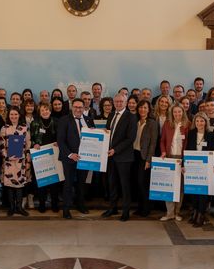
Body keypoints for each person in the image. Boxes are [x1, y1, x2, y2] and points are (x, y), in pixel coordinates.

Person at [101, 94, 139, 222]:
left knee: (124, 185)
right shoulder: (112, 115)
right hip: (110, 157)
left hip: (123, 157)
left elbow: (130, 138)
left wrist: (115, 150)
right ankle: (113, 208)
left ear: (126, 102)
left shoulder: (131, 117)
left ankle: (126, 211)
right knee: (112, 183)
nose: (118, 103)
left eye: (121, 101)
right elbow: (107, 133)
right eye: (116, 101)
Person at [57, 99, 95, 219]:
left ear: (84, 108)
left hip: (85, 158)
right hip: (69, 158)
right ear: (72, 107)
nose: (78, 109)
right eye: (76, 107)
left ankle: (81, 205)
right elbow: (60, 141)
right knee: (68, 184)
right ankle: (66, 209)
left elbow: (94, 137)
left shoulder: (89, 120)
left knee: (81, 184)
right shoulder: (64, 120)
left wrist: (103, 133)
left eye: (80, 107)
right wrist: (70, 154)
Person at [184, 112, 214, 227]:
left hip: (206, 167)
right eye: (197, 121)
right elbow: (187, 149)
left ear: (205, 122)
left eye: (202, 121)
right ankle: (195, 211)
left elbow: (213, 151)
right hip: (193, 166)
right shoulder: (192, 133)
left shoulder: (210, 135)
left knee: (203, 192)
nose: (199, 123)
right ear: (194, 122)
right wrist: (184, 164)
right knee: (194, 191)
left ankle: (201, 215)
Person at [159, 104, 189, 221]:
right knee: (169, 186)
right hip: (169, 157)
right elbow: (162, 141)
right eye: (175, 112)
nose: (177, 114)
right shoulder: (167, 124)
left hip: (182, 158)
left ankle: (177, 212)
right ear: (172, 113)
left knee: (180, 187)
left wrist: (185, 160)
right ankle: (169, 213)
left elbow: (188, 142)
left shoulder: (188, 124)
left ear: (183, 112)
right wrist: (163, 152)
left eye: (179, 112)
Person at [0, 106, 32, 216]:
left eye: (16, 114)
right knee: (10, 184)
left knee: (19, 184)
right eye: (11, 114)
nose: (13, 116)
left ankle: (19, 207)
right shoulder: (4, 128)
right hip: (8, 161)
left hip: (21, 160)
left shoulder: (24, 128)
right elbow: (1, 144)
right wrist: (6, 155)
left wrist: (27, 156)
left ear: (19, 115)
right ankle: (11, 207)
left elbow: (28, 143)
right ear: (8, 116)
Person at [29, 102, 60, 213]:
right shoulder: (34, 123)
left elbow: (61, 136)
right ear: (39, 111)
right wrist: (34, 144)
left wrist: (58, 142)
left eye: (47, 109)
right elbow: (30, 138)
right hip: (40, 155)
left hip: (54, 155)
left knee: (54, 181)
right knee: (42, 182)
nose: (45, 112)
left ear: (50, 110)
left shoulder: (56, 122)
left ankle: (54, 204)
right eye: (42, 110)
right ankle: (42, 204)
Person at [133, 100, 158, 217]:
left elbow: (153, 143)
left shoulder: (152, 123)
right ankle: (139, 207)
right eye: (141, 107)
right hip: (134, 155)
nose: (142, 110)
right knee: (136, 183)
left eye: (145, 108)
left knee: (142, 182)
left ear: (149, 109)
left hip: (144, 157)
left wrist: (149, 160)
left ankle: (146, 208)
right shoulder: (135, 121)